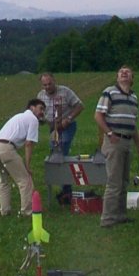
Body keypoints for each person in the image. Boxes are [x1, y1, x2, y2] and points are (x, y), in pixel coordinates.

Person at [95, 66, 139, 228]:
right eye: (121, 72)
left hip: (127, 141)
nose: (124, 73)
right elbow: (98, 116)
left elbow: (133, 124)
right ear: (117, 77)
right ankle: (108, 218)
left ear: (132, 78)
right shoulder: (109, 92)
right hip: (114, 142)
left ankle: (121, 214)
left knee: (124, 181)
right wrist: (109, 134)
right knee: (114, 182)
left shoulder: (134, 98)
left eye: (128, 72)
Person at [0, 98, 46, 216]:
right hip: (5, 148)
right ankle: (28, 211)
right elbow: (29, 143)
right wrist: (27, 166)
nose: (42, 112)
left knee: (4, 179)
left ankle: (4, 211)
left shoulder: (19, 116)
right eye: (41, 108)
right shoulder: (33, 119)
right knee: (25, 180)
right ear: (32, 107)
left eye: (44, 110)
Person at [37, 72, 84, 203]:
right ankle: (65, 188)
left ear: (54, 81)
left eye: (49, 84)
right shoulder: (40, 95)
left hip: (67, 126)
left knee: (61, 150)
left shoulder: (65, 91)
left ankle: (66, 190)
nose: (47, 87)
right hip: (53, 127)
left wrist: (68, 119)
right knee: (56, 154)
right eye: (44, 85)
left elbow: (80, 106)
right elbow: (40, 112)